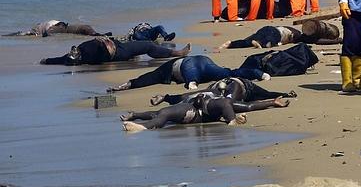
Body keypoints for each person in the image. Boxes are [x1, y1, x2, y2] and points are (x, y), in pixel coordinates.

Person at [121, 93, 289, 131]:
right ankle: (137, 121)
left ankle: (140, 127)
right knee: (161, 114)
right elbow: (250, 106)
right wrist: (136, 113)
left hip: (193, 110)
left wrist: (272, 102)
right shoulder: (223, 101)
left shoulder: (221, 100)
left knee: (164, 114)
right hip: (193, 114)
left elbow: (248, 106)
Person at [108, 55, 270, 91]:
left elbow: (147, 78)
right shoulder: (167, 68)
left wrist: (127, 85)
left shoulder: (164, 69)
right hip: (203, 61)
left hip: (187, 64)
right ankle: (257, 73)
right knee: (227, 72)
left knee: (193, 74)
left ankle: (192, 82)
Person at [41, 37, 190, 66]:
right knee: (148, 46)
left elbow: (59, 59)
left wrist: (46, 60)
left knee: (138, 48)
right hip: (119, 50)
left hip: (117, 46)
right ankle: (177, 54)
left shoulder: (75, 54)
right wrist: (102, 42)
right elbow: (103, 52)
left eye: (73, 52)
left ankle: (132, 57)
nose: (74, 52)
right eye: (75, 55)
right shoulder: (89, 56)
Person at [150, 77, 297, 106]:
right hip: (236, 84)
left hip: (227, 84)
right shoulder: (215, 100)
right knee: (229, 101)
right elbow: (249, 106)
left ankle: (166, 97)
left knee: (192, 95)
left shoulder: (213, 98)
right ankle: (166, 98)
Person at [219, 22, 341, 49]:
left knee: (251, 40)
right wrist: (339, 41)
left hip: (267, 28)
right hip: (275, 32)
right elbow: (318, 41)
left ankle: (230, 44)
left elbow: (317, 40)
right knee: (268, 42)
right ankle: (260, 43)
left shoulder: (297, 32)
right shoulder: (298, 35)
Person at [4, 20, 111, 37]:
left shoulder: (36, 28)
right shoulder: (37, 28)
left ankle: (96, 34)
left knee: (84, 28)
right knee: (84, 27)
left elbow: (24, 33)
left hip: (58, 26)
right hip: (62, 26)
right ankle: (96, 34)